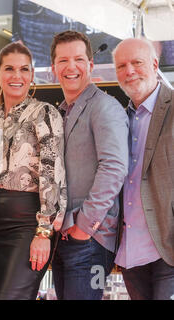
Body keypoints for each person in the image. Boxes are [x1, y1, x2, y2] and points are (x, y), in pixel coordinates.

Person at [0, 42, 67, 300]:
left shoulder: (45, 113)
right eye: (9, 69)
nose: (16, 76)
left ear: (31, 75)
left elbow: (52, 173)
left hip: (27, 224)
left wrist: (43, 232)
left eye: (24, 69)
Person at [50, 30, 129, 300]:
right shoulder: (61, 112)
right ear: (53, 69)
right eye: (63, 60)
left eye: (78, 59)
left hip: (90, 241)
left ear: (90, 65)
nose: (71, 67)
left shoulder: (105, 107)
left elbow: (115, 167)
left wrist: (85, 227)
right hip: (64, 238)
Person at [112, 38, 174, 300]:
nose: (129, 71)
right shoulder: (118, 118)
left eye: (137, 63)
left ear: (155, 64)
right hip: (130, 252)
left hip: (168, 249)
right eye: (122, 65)